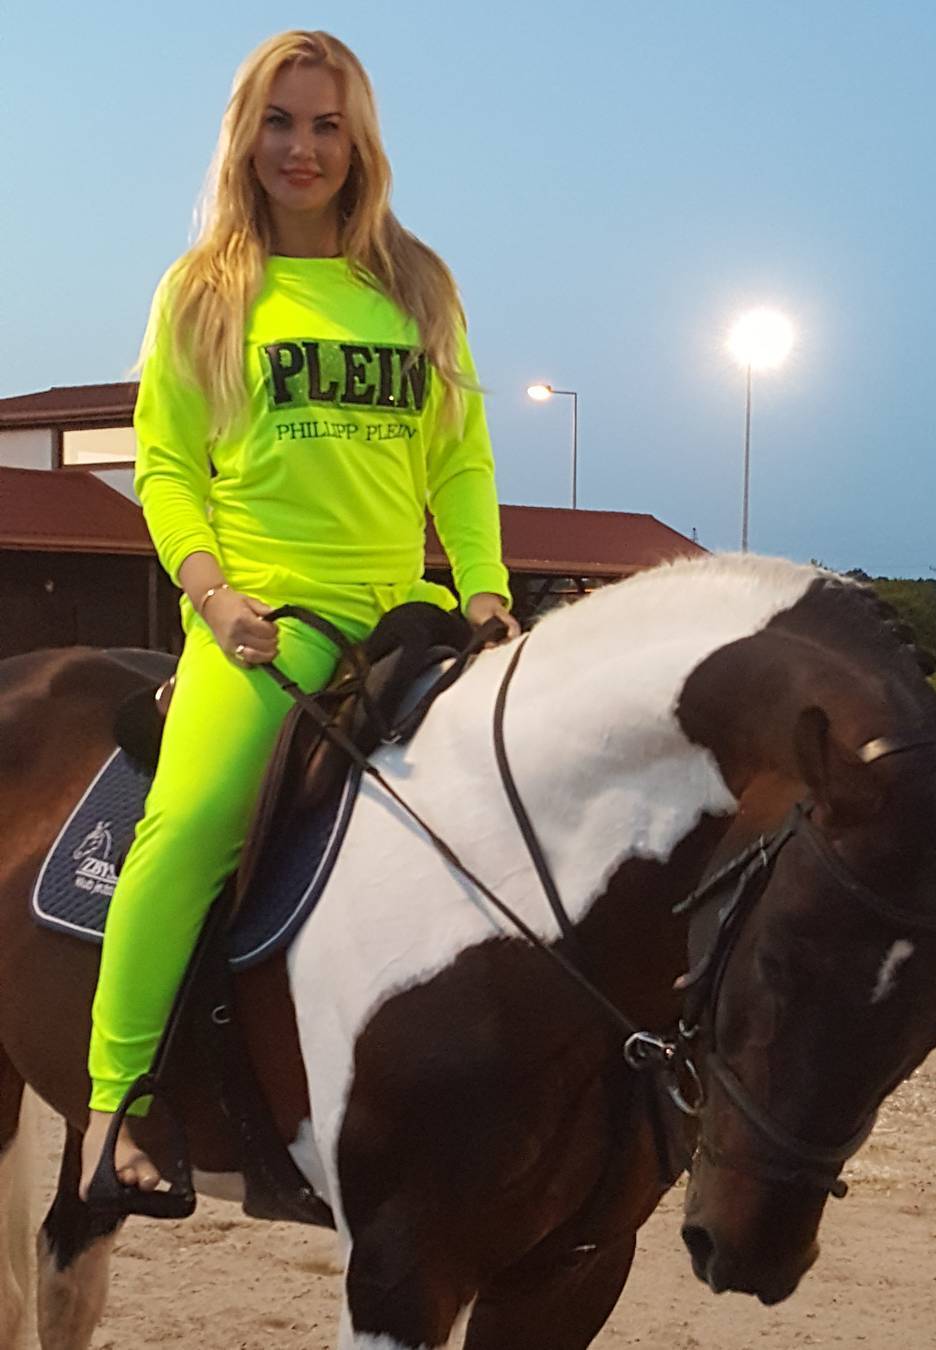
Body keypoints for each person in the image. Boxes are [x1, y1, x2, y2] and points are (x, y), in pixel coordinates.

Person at [80, 28, 519, 1200]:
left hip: (406, 617)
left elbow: (460, 460)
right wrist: (212, 593)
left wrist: (485, 590)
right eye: (280, 122)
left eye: (327, 125)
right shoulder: (205, 290)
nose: (303, 148)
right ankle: (116, 1109)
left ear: (359, 140)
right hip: (266, 621)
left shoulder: (416, 285)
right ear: (247, 137)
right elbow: (167, 466)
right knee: (191, 825)